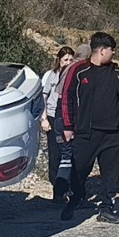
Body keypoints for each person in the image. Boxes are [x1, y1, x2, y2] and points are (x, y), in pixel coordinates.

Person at [58, 32, 119, 225]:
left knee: (111, 173)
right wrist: (68, 126)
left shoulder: (116, 71)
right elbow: (66, 99)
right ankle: (76, 197)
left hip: (114, 132)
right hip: (87, 132)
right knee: (80, 169)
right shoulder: (79, 70)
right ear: (102, 50)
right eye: (112, 50)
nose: (114, 53)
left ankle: (107, 207)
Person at [38, 45, 77, 202]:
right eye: (65, 60)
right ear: (59, 60)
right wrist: (44, 119)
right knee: (55, 156)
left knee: (70, 155)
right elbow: (43, 97)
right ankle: (57, 192)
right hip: (53, 118)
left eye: (71, 60)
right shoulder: (51, 75)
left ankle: (71, 189)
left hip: (69, 119)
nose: (68, 63)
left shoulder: (75, 75)